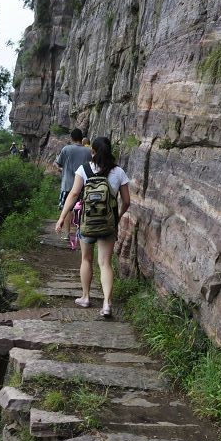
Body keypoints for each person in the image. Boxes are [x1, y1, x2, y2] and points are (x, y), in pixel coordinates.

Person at [55, 136, 130, 317]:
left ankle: (86, 297)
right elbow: (127, 201)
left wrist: (62, 217)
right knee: (105, 263)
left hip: (87, 223)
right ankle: (106, 304)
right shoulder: (119, 172)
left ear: (93, 151)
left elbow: (73, 194)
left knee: (86, 259)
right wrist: (117, 217)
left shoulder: (84, 169)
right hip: (108, 224)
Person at [55, 128, 91, 240]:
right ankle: (81, 233)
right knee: (83, 208)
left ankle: (66, 234)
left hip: (68, 185)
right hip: (84, 185)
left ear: (71, 138)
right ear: (81, 138)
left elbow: (58, 164)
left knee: (68, 209)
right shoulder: (89, 151)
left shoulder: (66, 149)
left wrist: (62, 169)